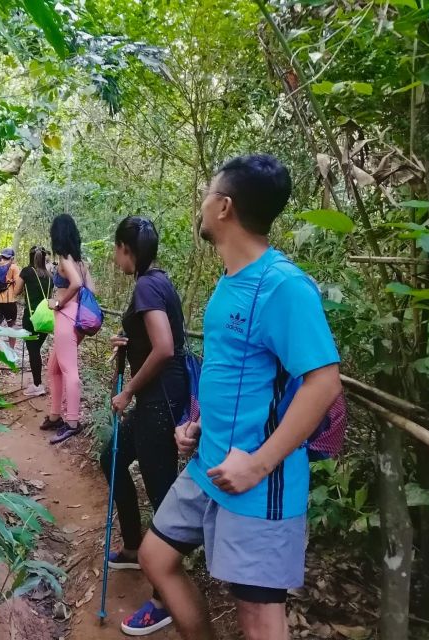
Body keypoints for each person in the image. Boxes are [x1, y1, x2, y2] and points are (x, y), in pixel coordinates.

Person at [137, 155, 342, 640]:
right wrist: (200, 423)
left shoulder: (284, 286)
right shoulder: (230, 282)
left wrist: (258, 464)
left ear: (224, 207)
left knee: (257, 617)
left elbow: (324, 383)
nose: (202, 205)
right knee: (155, 558)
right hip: (207, 466)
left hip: (258, 482)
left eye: (208, 194)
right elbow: (238, 372)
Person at [101, 217, 188, 636]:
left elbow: (166, 347)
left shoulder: (147, 287)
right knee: (110, 455)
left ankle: (164, 596)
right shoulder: (157, 280)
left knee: (162, 491)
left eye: (116, 249)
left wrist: (127, 392)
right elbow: (152, 339)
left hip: (160, 401)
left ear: (125, 249)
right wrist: (127, 344)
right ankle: (136, 546)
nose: (115, 256)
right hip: (158, 397)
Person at [41, 213, 95, 444]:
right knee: (54, 367)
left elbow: (78, 284)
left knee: (69, 370)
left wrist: (60, 302)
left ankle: (72, 421)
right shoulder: (80, 262)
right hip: (79, 320)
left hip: (66, 317)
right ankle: (55, 415)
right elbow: (92, 288)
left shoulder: (64, 260)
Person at [14, 245, 53, 397]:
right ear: (44, 258)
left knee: (33, 351)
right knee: (36, 349)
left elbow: (17, 291)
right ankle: (38, 383)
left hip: (31, 318)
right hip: (46, 318)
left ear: (31, 257)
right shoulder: (50, 276)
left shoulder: (26, 271)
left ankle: (38, 385)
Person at [0, 248, 21, 351]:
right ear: (12, 258)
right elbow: (18, 284)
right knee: (11, 325)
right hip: (9, 301)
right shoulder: (14, 267)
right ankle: (11, 350)